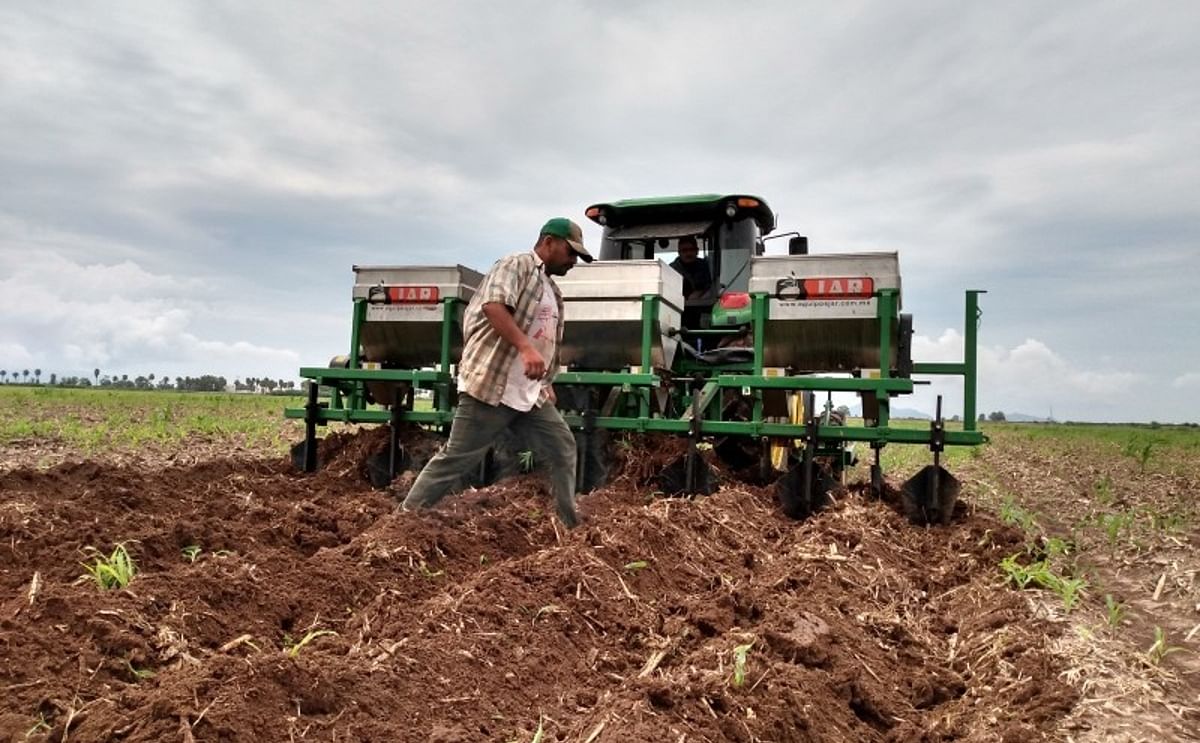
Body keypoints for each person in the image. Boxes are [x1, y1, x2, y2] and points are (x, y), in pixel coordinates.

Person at [401, 217, 593, 528]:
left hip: (528, 393)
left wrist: (544, 381)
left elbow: (543, 337)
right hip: (493, 386)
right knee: (457, 459)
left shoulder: (551, 290)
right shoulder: (516, 265)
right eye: (571, 253)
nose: (574, 261)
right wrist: (525, 348)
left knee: (562, 445)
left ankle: (569, 527)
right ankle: (404, 520)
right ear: (548, 242)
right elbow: (494, 306)